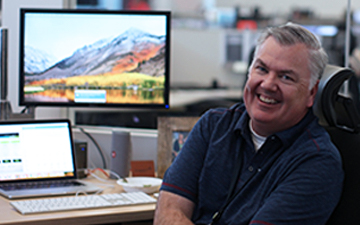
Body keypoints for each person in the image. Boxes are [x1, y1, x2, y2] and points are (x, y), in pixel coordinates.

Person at [154, 23, 344, 225]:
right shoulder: (213, 125)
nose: (268, 84)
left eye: (285, 77)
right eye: (261, 69)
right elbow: (168, 211)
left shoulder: (316, 162)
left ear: (311, 93)